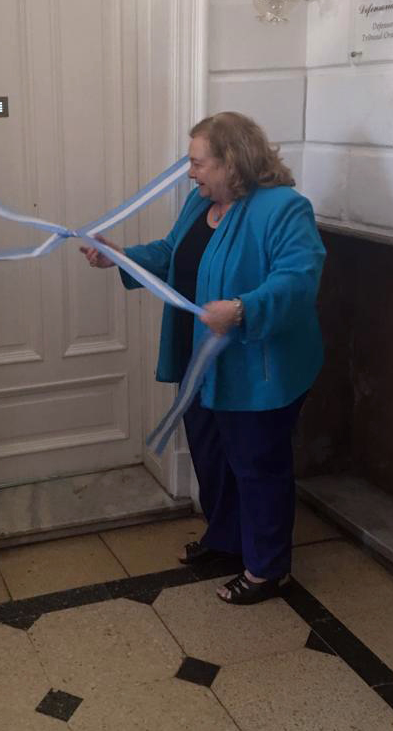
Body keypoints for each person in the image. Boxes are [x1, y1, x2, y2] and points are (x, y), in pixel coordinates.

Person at [81, 112, 325, 605]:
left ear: (232, 161)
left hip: (258, 370)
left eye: (198, 162)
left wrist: (242, 309)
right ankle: (227, 540)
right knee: (213, 456)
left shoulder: (284, 208)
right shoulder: (200, 203)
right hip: (202, 362)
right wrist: (120, 257)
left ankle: (267, 569)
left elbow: (299, 279)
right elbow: (171, 253)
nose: (189, 172)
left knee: (257, 465)